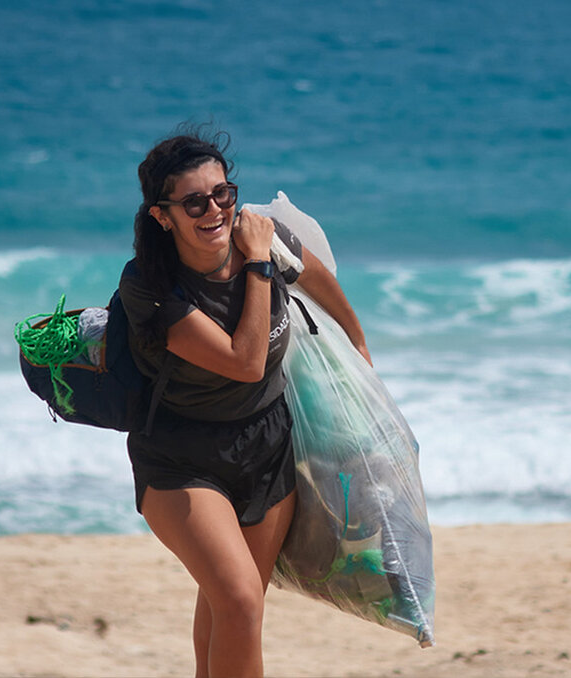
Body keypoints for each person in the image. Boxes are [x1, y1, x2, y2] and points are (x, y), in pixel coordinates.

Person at [119, 127, 371, 678]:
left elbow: (318, 280)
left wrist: (359, 347)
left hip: (266, 450)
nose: (213, 209)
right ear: (164, 216)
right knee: (237, 599)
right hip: (180, 459)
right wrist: (257, 264)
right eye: (193, 202)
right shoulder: (152, 285)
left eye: (222, 194)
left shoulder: (265, 235)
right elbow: (245, 361)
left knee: (231, 605)